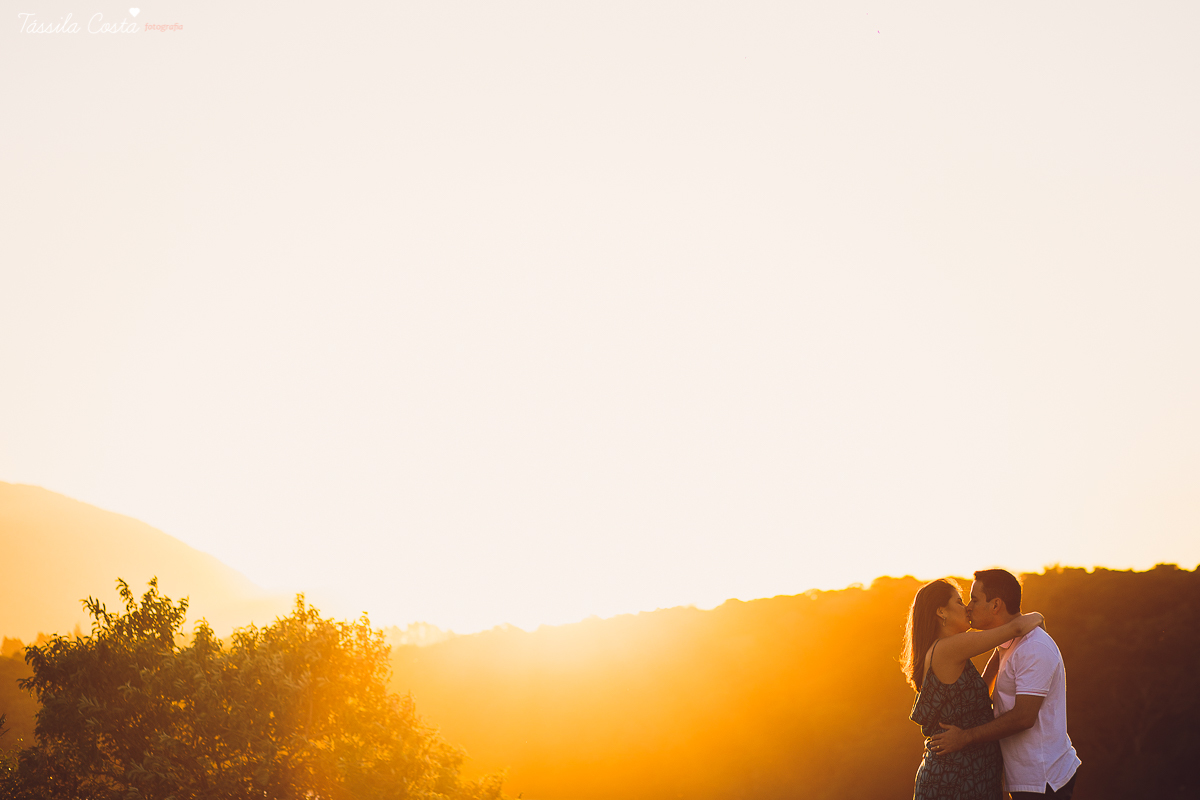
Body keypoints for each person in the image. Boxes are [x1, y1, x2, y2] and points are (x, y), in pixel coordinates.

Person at [931, 569, 1081, 799]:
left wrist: (965, 737)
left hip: (1044, 779)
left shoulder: (1033, 648)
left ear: (995, 605)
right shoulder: (1008, 643)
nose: (969, 607)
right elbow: (985, 691)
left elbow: (1023, 717)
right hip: (1026, 778)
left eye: (974, 599)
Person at [903, 578, 1045, 800]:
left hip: (968, 772)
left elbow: (979, 690)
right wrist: (1038, 617)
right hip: (956, 777)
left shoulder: (947, 650)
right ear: (942, 612)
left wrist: (1000, 655)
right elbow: (1016, 628)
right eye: (959, 602)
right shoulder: (950, 647)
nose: (967, 607)